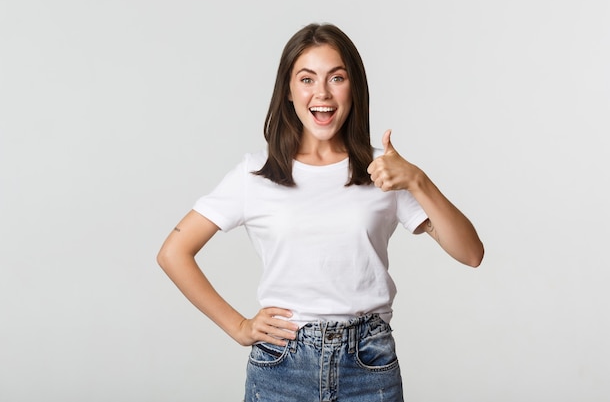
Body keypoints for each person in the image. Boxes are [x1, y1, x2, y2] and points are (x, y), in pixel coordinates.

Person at [157, 22, 484, 402]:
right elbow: (173, 253)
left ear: (353, 87)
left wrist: (417, 180)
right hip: (282, 366)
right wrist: (240, 327)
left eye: (336, 77)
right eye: (307, 79)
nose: (322, 93)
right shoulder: (255, 174)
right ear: (289, 92)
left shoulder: (384, 171)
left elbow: (471, 253)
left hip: (368, 363)